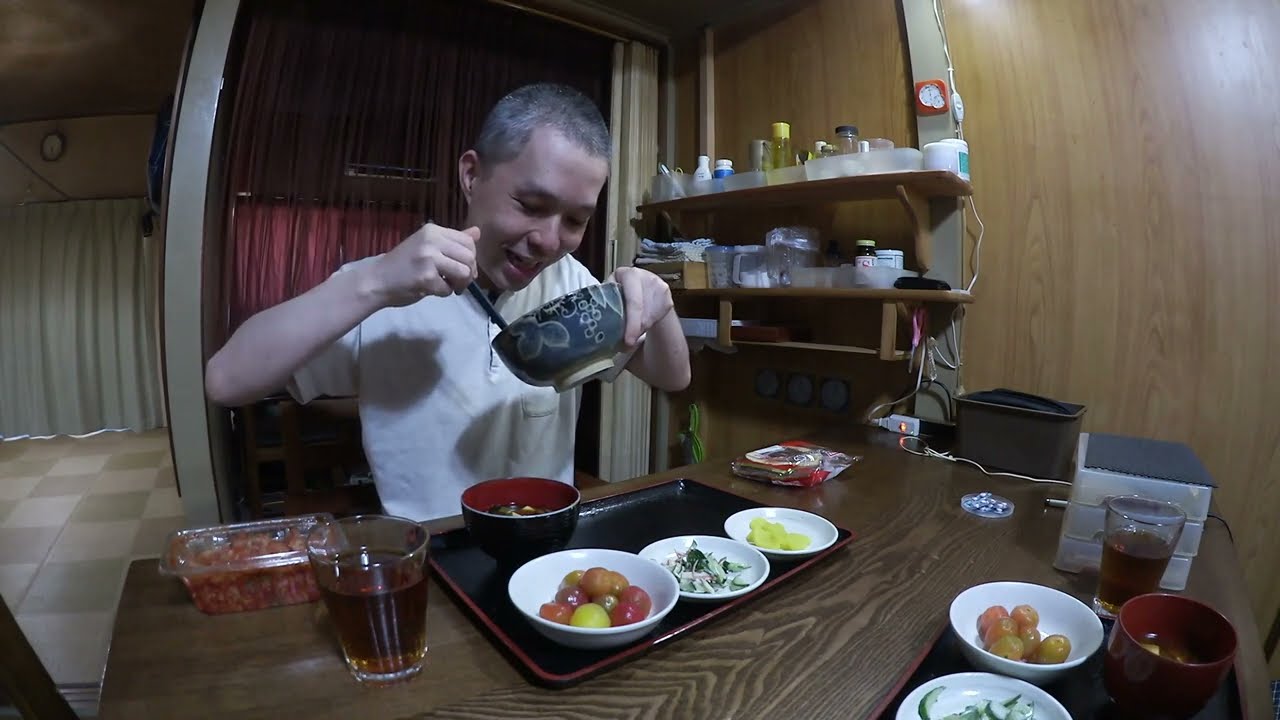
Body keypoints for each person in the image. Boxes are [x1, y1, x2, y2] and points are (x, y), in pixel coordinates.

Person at [205, 83, 690, 520]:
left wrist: (659, 302)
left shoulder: (572, 286)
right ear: (472, 175)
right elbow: (225, 381)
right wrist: (372, 282)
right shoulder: (385, 286)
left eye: (575, 220)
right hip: (428, 553)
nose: (548, 240)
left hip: (544, 545)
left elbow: (673, 376)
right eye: (531, 205)